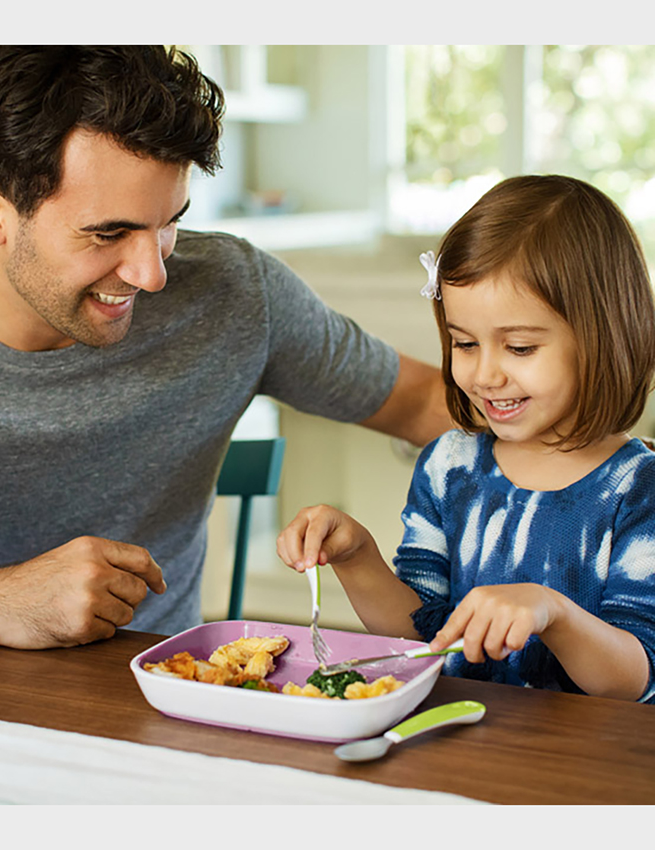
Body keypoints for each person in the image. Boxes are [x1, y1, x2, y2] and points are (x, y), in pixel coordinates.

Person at [0, 46, 450, 649]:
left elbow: (426, 402)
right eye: (108, 233)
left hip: (161, 698)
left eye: (168, 224)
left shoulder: (233, 291)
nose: (152, 274)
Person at [277, 174, 655, 703]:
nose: (485, 375)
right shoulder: (448, 465)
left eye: (520, 347)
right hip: (458, 746)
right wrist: (357, 556)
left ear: (603, 337)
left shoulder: (638, 489)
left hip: (584, 769)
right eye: (465, 343)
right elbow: (421, 639)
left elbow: (634, 680)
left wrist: (553, 613)